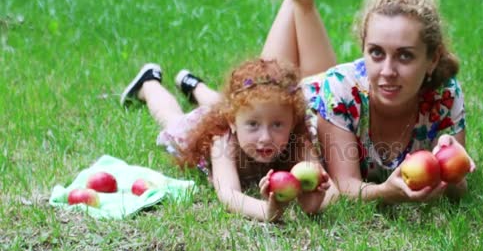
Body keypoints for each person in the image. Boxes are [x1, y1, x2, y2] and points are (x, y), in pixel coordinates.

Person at [254, 0, 470, 205]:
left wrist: (454, 172)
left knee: (316, 56)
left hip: (332, 94)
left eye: (405, 55)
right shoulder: (342, 90)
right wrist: (386, 193)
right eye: (376, 53)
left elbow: (459, 189)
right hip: (300, 103)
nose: (388, 72)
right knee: (257, 91)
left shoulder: (445, 96)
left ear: (433, 60)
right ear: (363, 50)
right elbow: (346, 186)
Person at [120, 60, 334, 222]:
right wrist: (268, 210)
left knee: (232, 104)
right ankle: (148, 84)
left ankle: (193, 85)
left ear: (293, 121)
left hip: (235, 112)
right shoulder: (223, 141)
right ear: (232, 122)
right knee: (172, 118)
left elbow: (332, 191)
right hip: (205, 127)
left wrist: (314, 203)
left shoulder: (297, 140)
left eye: (277, 124)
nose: (265, 137)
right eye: (253, 126)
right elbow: (229, 194)